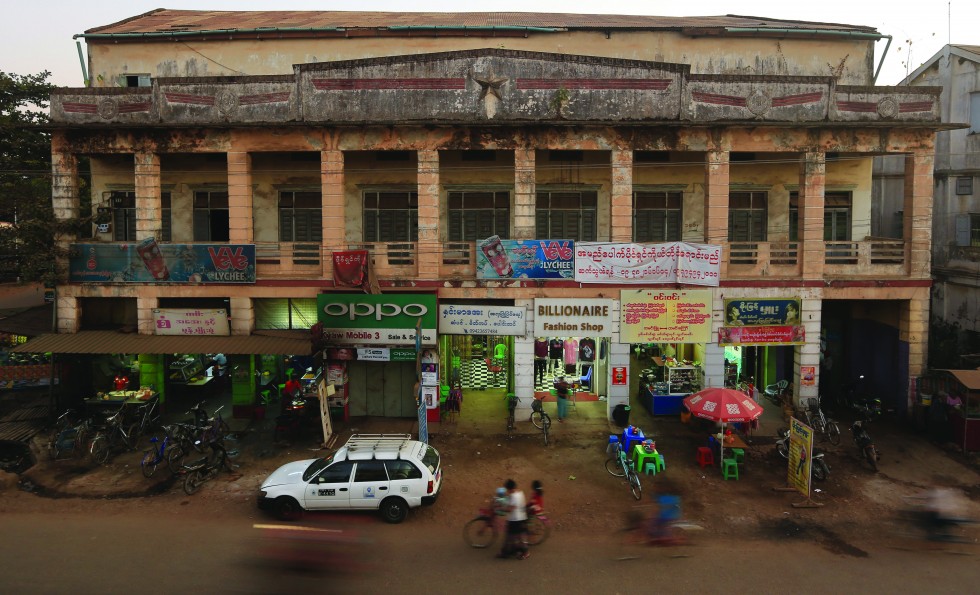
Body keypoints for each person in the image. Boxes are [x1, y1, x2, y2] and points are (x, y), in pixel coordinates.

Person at [497, 479, 529, 560]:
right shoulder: (520, 492)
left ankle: (525, 552)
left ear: (509, 488)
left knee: (515, 537)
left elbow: (510, 509)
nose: (507, 491)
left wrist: (501, 508)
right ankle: (508, 552)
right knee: (512, 537)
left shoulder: (514, 496)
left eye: (507, 489)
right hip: (520, 518)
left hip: (516, 520)